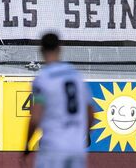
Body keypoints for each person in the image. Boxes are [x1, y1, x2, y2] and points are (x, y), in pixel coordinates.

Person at [23, 33, 94, 168]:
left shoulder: (42, 80)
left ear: (41, 51)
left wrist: (27, 145)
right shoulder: (75, 76)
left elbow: (35, 118)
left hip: (53, 147)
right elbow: (90, 113)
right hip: (75, 148)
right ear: (60, 49)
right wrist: (83, 135)